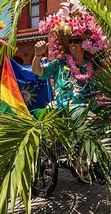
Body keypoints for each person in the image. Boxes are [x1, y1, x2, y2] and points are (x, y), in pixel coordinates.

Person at [32, 38, 100, 181]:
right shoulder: (60, 63)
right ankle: (78, 159)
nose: (72, 43)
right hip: (67, 108)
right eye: (70, 41)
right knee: (89, 118)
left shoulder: (93, 65)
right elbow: (37, 71)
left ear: (86, 45)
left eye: (77, 40)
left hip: (92, 106)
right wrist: (38, 55)